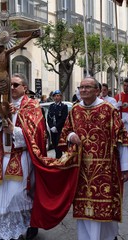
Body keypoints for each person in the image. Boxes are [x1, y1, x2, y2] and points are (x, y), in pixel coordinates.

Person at [58, 76, 128, 240]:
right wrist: (71, 135)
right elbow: (65, 133)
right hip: (81, 170)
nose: (83, 90)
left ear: (97, 90)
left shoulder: (109, 110)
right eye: (81, 87)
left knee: (104, 209)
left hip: (105, 170)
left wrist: (125, 167)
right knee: (83, 209)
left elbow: (122, 138)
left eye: (88, 87)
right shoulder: (75, 110)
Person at [0, 73, 47, 240]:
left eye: (15, 85)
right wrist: (1, 114)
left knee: (17, 196)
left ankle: (21, 230)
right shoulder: (3, 104)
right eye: (10, 85)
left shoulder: (32, 106)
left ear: (25, 88)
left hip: (21, 156)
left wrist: (14, 130)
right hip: (1, 157)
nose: (12, 88)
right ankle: (0, 232)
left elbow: (37, 134)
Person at [47, 90, 68, 158]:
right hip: (52, 129)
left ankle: (58, 159)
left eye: (58, 96)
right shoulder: (51, 106)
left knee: (59, 144)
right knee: (54, 144)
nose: (56, 97)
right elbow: (49, 118)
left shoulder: (64, 106)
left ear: (61, 97)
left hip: (59, 129)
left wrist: (56, 127)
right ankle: (57, 157)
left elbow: (63, 118)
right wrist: (51, 126)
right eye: (55, 96)